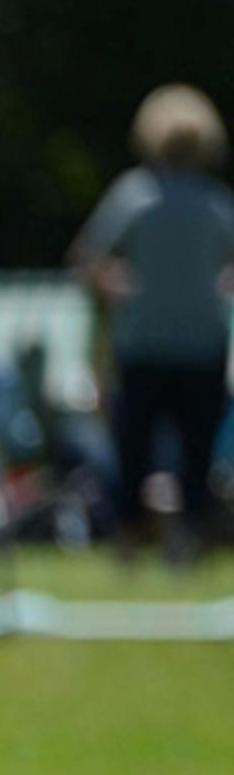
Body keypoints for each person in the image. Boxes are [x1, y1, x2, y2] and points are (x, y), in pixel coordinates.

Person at [70, 84, 234, 559]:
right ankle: (189, 538)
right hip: (201, 340)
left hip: (144, 340)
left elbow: (86, 259)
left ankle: (127, 538)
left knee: (133, 448)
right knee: (196, 450)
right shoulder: (214, 202)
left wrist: (114, 285)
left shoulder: (134, 196)